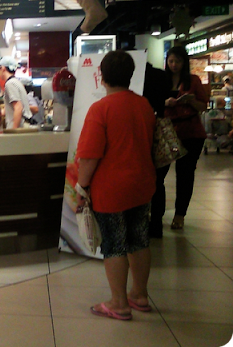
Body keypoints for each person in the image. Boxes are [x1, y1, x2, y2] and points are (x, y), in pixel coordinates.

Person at [75, 50, 157, 321]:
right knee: (139, 240)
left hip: (111, 189)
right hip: (142, 184)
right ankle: (140, 295)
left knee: (114, 245)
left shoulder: (101, 109)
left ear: (102, 76)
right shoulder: (144, 105)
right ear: (130, 75)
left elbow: (89, 156)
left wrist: (81, 188)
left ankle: (119, 303)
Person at [159, 46, 208, 230]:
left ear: (184, 63)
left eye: (178, 61)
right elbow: (153, 102)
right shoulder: (162, 80)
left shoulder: (193, 80)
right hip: (166, 130)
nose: (174, 65)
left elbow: (203, 106)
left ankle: (180, 214)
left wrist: (191, 100)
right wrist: (165, 102)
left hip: (190, 131)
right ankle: (157, 213)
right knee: (159, 173)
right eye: (171, 61)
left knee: (185, 174)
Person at [143, 62, 172, 238]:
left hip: (142, 134)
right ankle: (156, 224)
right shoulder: (161, 76)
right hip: (159, 132)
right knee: (158, 182)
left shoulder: (136, 77)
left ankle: (141, 222)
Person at [0, 57, 32, 129]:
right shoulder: (16, 82)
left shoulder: (10, 84)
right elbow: (11, 108)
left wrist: (14, 130)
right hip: (24, 125)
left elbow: (18, 107)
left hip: (19, 126)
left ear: (3, 68)